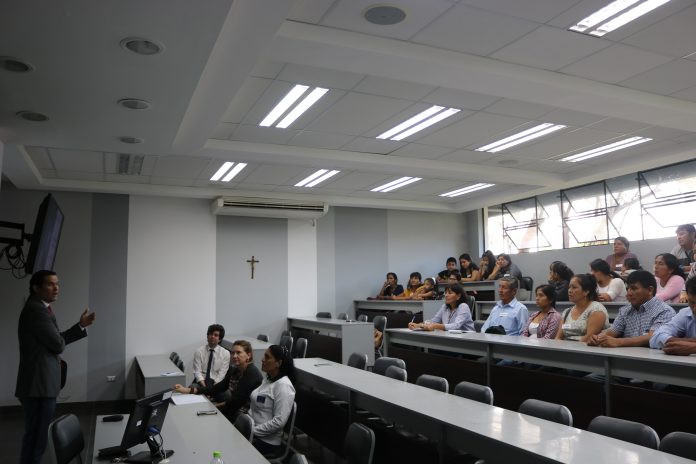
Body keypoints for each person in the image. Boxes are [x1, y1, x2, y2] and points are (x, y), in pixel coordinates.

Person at [16, 270, 96, 464]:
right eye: (50, 284)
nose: (56, 288)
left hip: (40, 385)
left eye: (57, 283)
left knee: (36, 438)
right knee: (36, 440)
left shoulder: (41, 308)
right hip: (38, 386)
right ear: (36, 288)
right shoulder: (36, 311)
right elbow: (58, 344)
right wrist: (65, 336)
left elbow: (56, 339)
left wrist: (80, 326)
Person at [174, 340, 262, 421]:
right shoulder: (236, 370)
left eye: (238, 353)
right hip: (233, 409)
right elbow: (216, 388)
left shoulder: (251, 373)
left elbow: (236, 402)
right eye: (233, 353)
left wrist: (214, 406)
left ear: (248, 355)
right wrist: (187, 390)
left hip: (245, 416)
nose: (234, 356)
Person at [587, 271, 675, 348]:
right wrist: (598, 338)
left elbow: (653, 336)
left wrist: (618, 342)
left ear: (650, 290)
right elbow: (612, 332)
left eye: (634, 288)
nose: (628, 293)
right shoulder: (625, 311)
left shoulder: (664, 311)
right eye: (627, 289)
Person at [248, 345, 296, 455]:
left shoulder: (283, 386)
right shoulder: (269, 378)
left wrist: (252, 431)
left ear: (278, 363)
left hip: (266, 441)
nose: (262, 359)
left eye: (267, 357)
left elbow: (279, 422)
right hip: (252, 430)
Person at [556, 274, 609, 342]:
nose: (569, 290)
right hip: (564, 347)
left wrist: (569, 347)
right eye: (569, 287)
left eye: (574, 287)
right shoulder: (567, 312)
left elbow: (589, 338)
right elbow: (558, 337)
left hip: (584, 347)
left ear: (586, 291)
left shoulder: (596, 310)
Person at [650, 277, 696, 355]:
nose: (694, 309)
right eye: (692, 302)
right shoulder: (685, 313)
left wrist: (693, 347)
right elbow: (656, 337)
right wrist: (687, 342)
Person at [408, 283, 474, 332]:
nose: (446, 295)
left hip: (468, 338)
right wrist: (418, 325)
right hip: (451, 337)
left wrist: (436, 326)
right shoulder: (445, 307)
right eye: (445, 293)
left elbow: (456, 326)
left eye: (450, 293)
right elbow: (433, 321)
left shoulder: (463, 306)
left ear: (458, 296)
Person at [191, 324, 230, 398]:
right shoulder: (199, 351)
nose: (212, 336)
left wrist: (212, 389)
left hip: (216, 383)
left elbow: (221, 374)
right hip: (201, 381)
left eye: (216, 335)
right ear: (207, 336)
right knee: (192, 388)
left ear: (220, 339)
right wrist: (205, 388)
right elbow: (197, 372)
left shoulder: (225, 353)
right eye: (210, 334)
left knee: (227, 395)